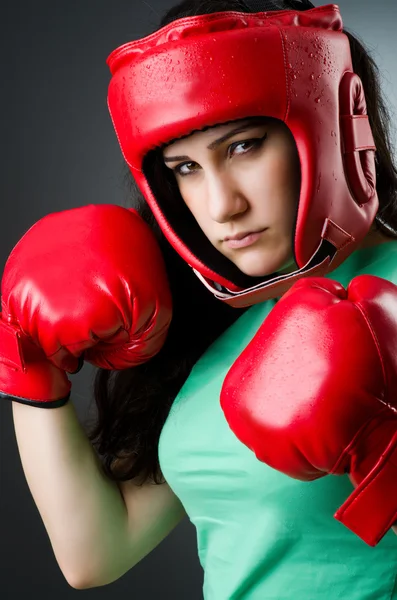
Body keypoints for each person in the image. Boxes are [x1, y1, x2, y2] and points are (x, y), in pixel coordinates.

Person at [2, 1, 397, 599]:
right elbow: (97, 551)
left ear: (333, 123)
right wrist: (26, 358)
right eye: (185, 167)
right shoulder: (216, 318)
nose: (220, 206)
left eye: (243, 147)